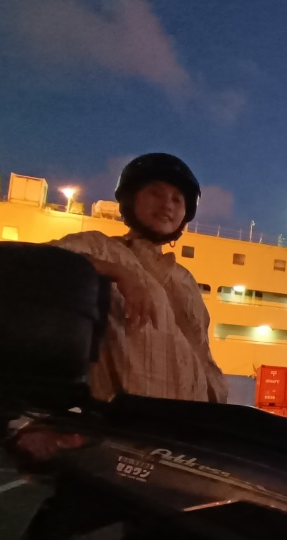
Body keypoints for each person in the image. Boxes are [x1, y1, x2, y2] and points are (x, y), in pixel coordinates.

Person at [50, 153, 228, 404]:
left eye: (177, 199)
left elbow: (203, 352)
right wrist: (117, 272)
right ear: (130, 200)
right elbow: (42, 261)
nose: (167, 205)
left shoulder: (185, 279)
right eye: (155, 193)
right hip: (123, 418)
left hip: (192, 420)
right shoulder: (99, 247)